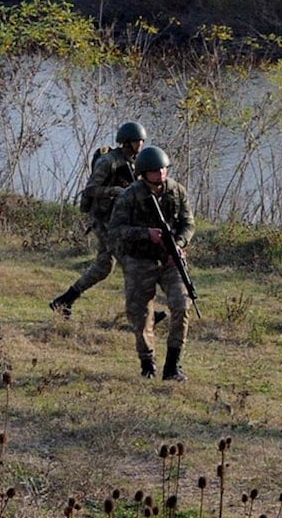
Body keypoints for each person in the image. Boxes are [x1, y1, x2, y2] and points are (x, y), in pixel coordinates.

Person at [108, 146, 195, 381]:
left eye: (164, 169)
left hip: (170, 260)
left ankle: (173, 366)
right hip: (139, 260)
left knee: (182, 305)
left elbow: (188, 224)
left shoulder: (177, 191)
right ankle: (147, 362)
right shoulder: (129, 196)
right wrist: (145, 234)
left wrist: (178, 244)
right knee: (140, 314)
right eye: (155, 171)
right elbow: (115, 230)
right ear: (144, 173)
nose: (161, 174)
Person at [49, 122, 147, 316]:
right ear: (127, 142)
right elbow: (91, 189)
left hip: (118, 220)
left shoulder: (135, 163)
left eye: (142, 141)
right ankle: (143, 311)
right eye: (137, 141)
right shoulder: (109, 161)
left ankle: (64, 300)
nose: (141, 144)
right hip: (103, 221)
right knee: (130, 262)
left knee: (104, 267)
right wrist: (115, 191)